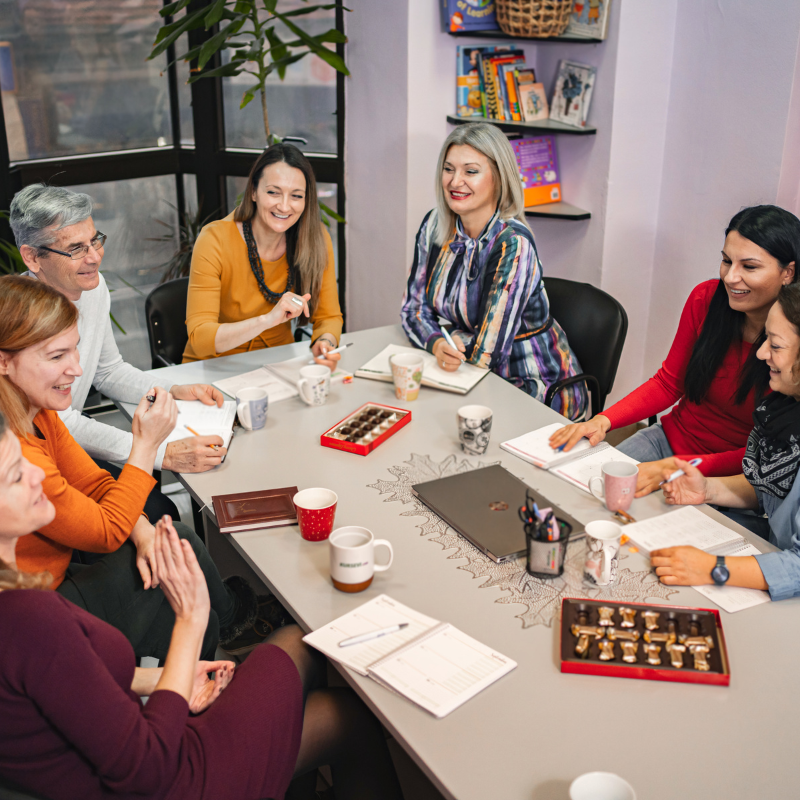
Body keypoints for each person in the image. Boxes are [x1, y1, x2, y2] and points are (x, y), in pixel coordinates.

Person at [0, 417, 405, 800]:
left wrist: (166, 679)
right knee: (339, 697)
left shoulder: (18, 603)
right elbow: (149, 768)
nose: (39, 474)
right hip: (174, 777)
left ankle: (277, 774)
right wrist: (190, 622)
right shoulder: (30, 619)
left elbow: (72, 685)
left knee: (309, 660)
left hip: (129, 754)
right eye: (16, 474)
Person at [0, 276, 258, 660]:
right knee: (179, 546)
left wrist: (142, 534)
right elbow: (104, 531)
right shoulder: (19, 455)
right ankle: (228, 632)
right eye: (57, 357)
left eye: (76, 350)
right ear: (4, 361)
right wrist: (147, 445)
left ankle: (210, 650)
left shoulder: (33, 407)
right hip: (36, 613)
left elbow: (95, 483)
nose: (75, 369)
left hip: (53, 578)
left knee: (167, 550)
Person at [9, 183, 230, 524]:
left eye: (95, 240)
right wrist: (159, 452)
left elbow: (107, 370)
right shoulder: (18, 324)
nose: (95, 257)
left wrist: (171, 390)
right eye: (76, 249)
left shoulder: (92, 290)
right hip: (33, 463)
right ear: (32, 257)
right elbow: (59, 423)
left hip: (71, 448)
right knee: (159, 513)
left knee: (157, 508)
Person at [550, 205, 800, 494]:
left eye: (750, 267)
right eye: (726, 261)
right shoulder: (706, 299)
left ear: (788, 273)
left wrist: (676, 468)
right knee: (579, 490)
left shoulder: (792, 344)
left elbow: (767, 458)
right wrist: (603, 420)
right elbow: (669, 382)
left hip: (733, 477)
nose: (731, 277)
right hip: (669, 442)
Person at [400, 122, 587, 419]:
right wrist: (436, 344)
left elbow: (488, 353)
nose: (455, 181)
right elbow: (413, 310)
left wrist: (453, 345)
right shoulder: (435, 225)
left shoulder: (513, 243)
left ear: (499, 179)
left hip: (532, 386)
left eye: (470, 171)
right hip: (467, 373)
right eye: (449, 169)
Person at [652, 283, 800, 602]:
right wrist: (708, 490)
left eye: (774, 346)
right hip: (774, 549)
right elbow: (771, 493)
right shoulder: (785, 409)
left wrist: (713, 568)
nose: (761, 354)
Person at [183, 142, 344, 371]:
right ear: (253, 192)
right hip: (213, 368)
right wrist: (267, 320)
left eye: (296, 195)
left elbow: (329, 317)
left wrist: (325, 342)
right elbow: (200, 339)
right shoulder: (214, 239)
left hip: (278, 365)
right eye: (273, 192)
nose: (285, 206)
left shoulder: (316, 239)